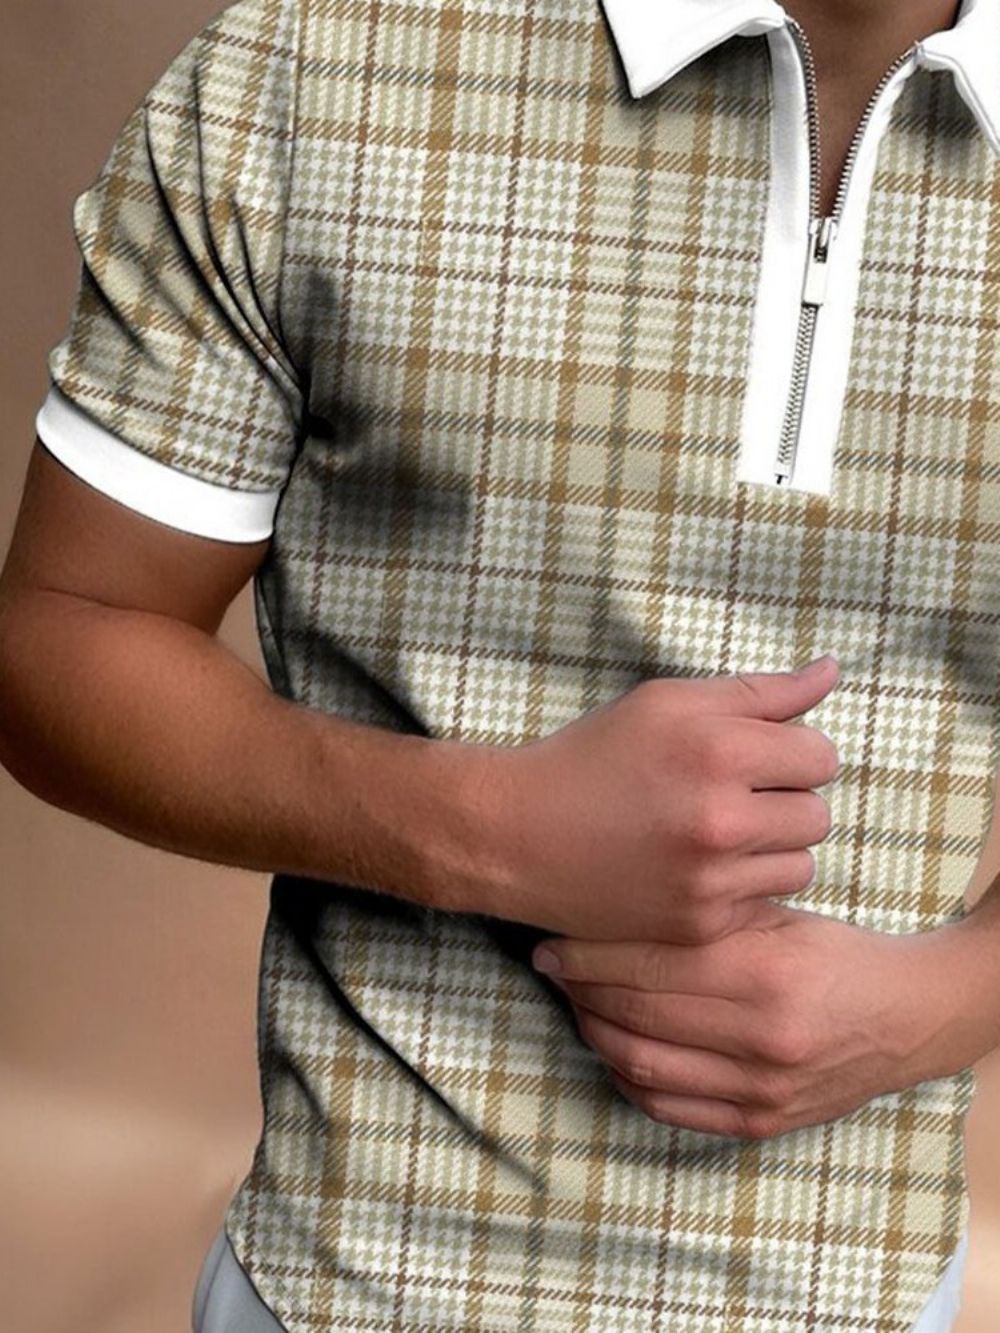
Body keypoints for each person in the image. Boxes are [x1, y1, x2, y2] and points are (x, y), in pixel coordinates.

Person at [1, 0, 998, 1328]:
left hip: (866, 1295)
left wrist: (945, 1001)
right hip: (347, 1283)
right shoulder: (315, 61)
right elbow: (63, 632)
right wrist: (491, 830)